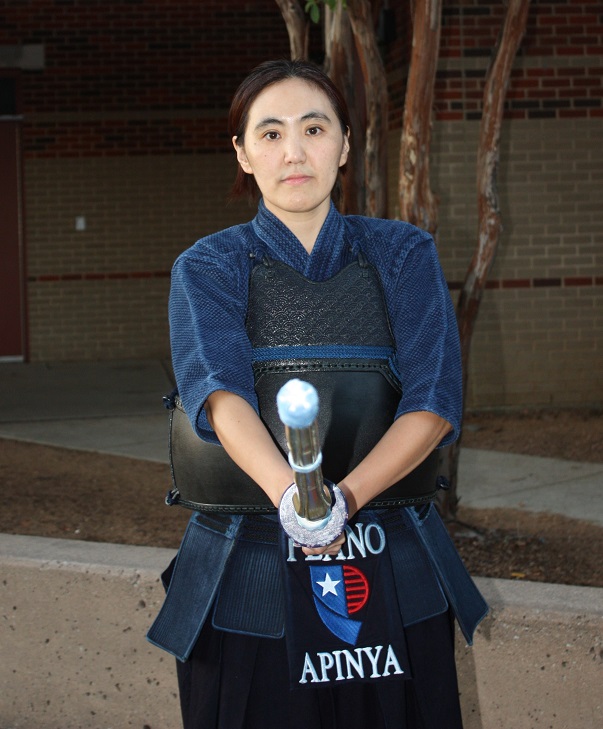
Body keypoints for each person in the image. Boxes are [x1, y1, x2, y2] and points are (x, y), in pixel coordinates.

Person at [147, 59, 488, 729]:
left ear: (345, 143)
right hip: (244, 563)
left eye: (313, 127)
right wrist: (293, 500)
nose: (294, 151)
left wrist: (344, 501)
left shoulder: (401, 254)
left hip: (390, 551)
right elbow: (219, 396)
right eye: (269, 134)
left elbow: (433, 402)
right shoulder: (209, 265)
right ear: (242, 153)